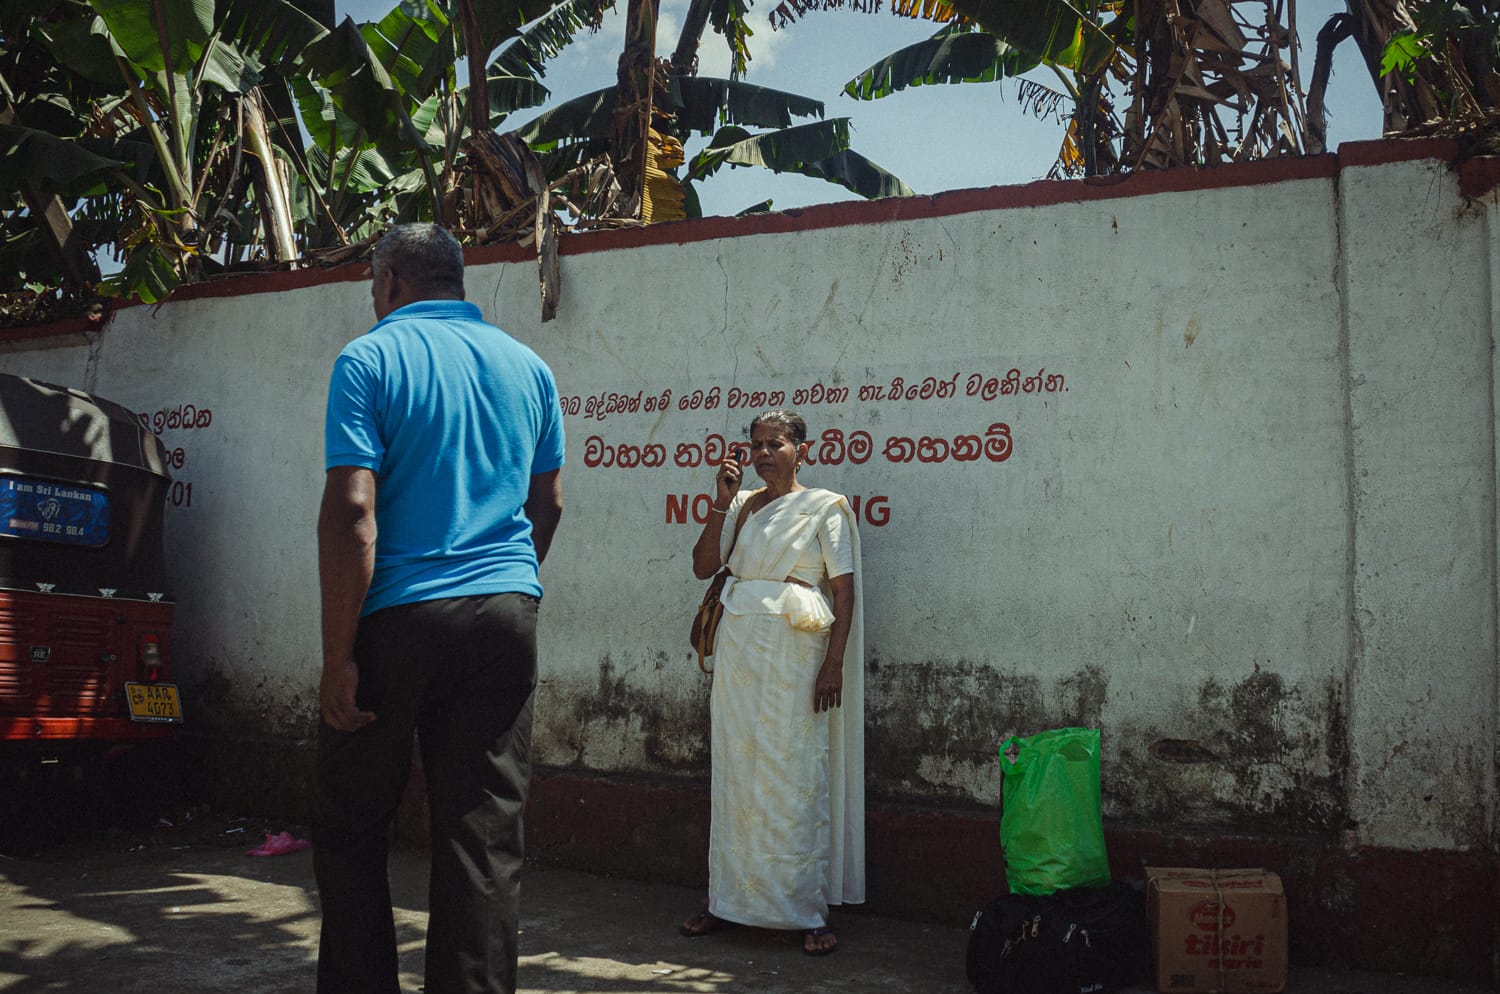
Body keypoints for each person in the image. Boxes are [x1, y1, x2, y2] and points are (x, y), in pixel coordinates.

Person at [314, 222, 564, 994]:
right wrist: (503, 582)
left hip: (399, 618)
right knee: (482, 838)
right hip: (505, 617)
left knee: (353, 825)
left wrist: (338, 657)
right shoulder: (529, 367)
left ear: (390, 280)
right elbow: (548, 504)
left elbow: (353, 511)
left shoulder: (370, 359)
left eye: (373, 285)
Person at [679, 409, 865, 956]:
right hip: (739, 653)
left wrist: (833, 663)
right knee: (736, 774)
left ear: (801, 450)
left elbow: (843, 591)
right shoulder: (740, 504)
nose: (762, 454)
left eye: (774, 444)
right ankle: (727, 902)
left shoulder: (825, 507)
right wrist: (720, 501)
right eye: (756, 444)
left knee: (792, 771)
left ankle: (805, 911)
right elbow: (703, 566)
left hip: (798, 654)